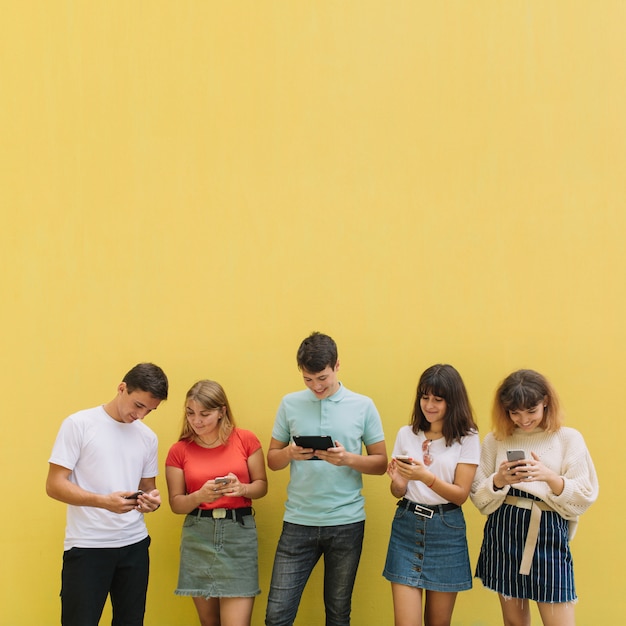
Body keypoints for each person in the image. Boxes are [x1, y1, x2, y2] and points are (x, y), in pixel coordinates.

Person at [265, 331, 387, 626]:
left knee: (337, 614)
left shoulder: (363, 405)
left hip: (346, 523)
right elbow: (272, 459)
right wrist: (291, 454)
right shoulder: (290, 403)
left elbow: (381, 463)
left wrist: (348, 459)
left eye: (322, 378)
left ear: (337, 366)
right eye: (308, 379)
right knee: (277, 615)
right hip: (298, 521)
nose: (316, 387)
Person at [470, 369, 599, 626]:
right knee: (514, 623)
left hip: (548, 531)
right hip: (504, 530)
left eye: (531, 411)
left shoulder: (568, 438)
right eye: (514, 412)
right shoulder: (494, 440)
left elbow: (585, 495)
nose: (523, 419)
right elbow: (477, 495)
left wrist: (550, 477)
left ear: (546, 401)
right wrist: (499, 480)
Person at [46, 362, 169, 626]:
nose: (142, 415)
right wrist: (103, 502)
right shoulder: (79, 425)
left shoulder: (148, 437)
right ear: (121, 388)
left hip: (135, 545)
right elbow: (54, 484)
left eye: (150, 410)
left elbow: (149, 488)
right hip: (89, 546)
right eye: (138, 405)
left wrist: (152, 502)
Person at [383, 364, 480, 626]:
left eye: (438, 399)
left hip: (446, 530)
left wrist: (426, 477)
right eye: (425, 397)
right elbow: (399, 490)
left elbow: (460, 495)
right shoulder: (407, 433)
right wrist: (399, 483)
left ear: (453, 401)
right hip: (407, 524)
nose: (429, 405)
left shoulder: (468, 438)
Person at [165, 379, 268, 626]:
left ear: (222, 411)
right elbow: (176, 504)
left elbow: (262, 486)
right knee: (209, 622)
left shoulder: (245, 439)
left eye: (205, 414)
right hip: (198, 534)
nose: (196, 420)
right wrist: (199, 496)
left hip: (238, 534)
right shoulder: (179, 450)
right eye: (190, 413)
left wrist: (241, 488)